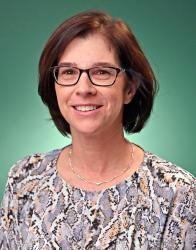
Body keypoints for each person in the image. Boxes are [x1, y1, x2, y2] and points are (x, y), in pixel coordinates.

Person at [0, 10, 195, 250]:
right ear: (55, 86)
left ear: (130, 88)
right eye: (69, 72)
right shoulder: (24, 180)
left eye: (101, 72)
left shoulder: (176, 192)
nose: (84, 88)